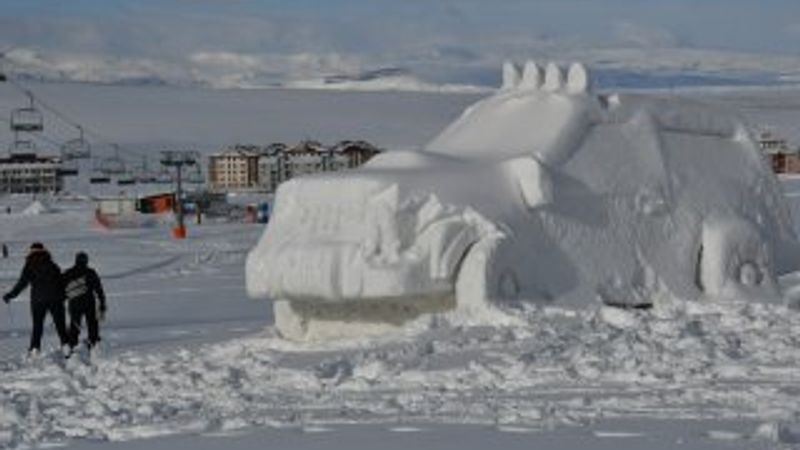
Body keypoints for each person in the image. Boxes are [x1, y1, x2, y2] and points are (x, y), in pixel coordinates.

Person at [2, 242, 70, 357]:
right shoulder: (52, 264)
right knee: (60, 325)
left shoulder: (30, 265)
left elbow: (22, 284)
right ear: (43, 250)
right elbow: (61, 283)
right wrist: (63, 297)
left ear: (32, 251)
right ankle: (66, 347)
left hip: (38, 300)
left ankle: (35, 349)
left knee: (37, 326)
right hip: (55, 299)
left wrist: (10, 295)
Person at [63, 252, 106, 351]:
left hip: (74, 303)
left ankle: (72, 344)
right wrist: (102, 303)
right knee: (92, 323)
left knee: (74, 324)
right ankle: (93, 342)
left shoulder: (68, 272)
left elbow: (60, 289)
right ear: (86, 261)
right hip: (89, 303)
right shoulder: (91, 272)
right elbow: (99, 289)